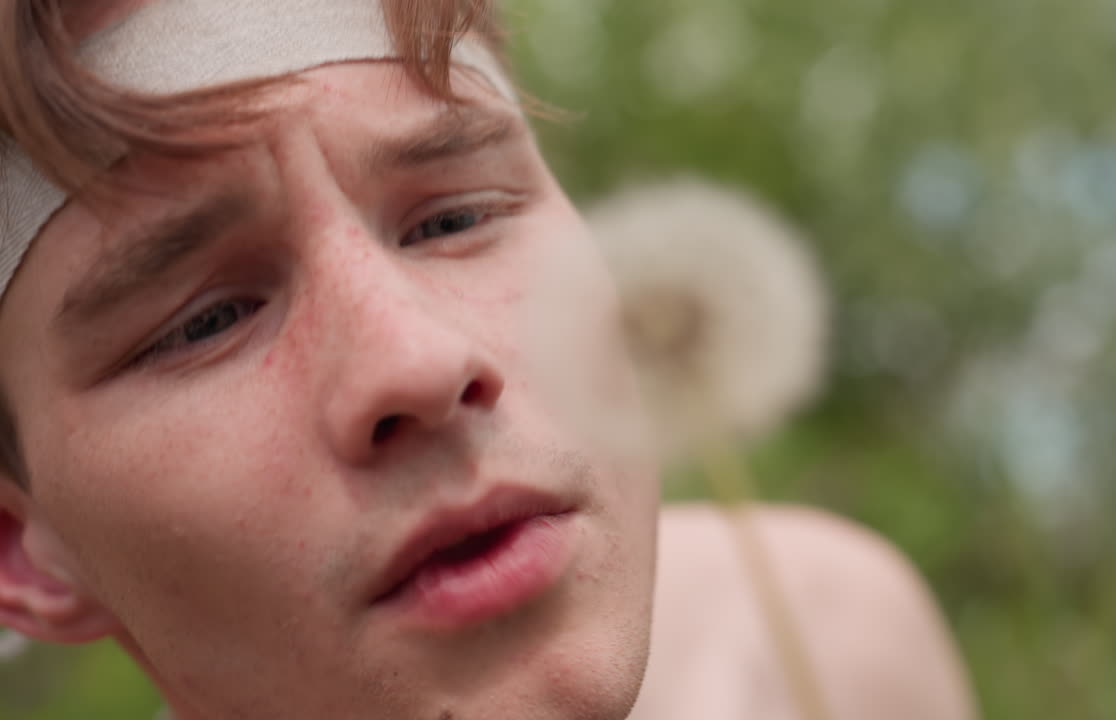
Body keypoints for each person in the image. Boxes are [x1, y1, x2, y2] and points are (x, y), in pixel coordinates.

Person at [0, 1, 975, 718]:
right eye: (206, 322)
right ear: (20, 553)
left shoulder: (821, 642)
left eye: (454, 220)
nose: (419, 361)